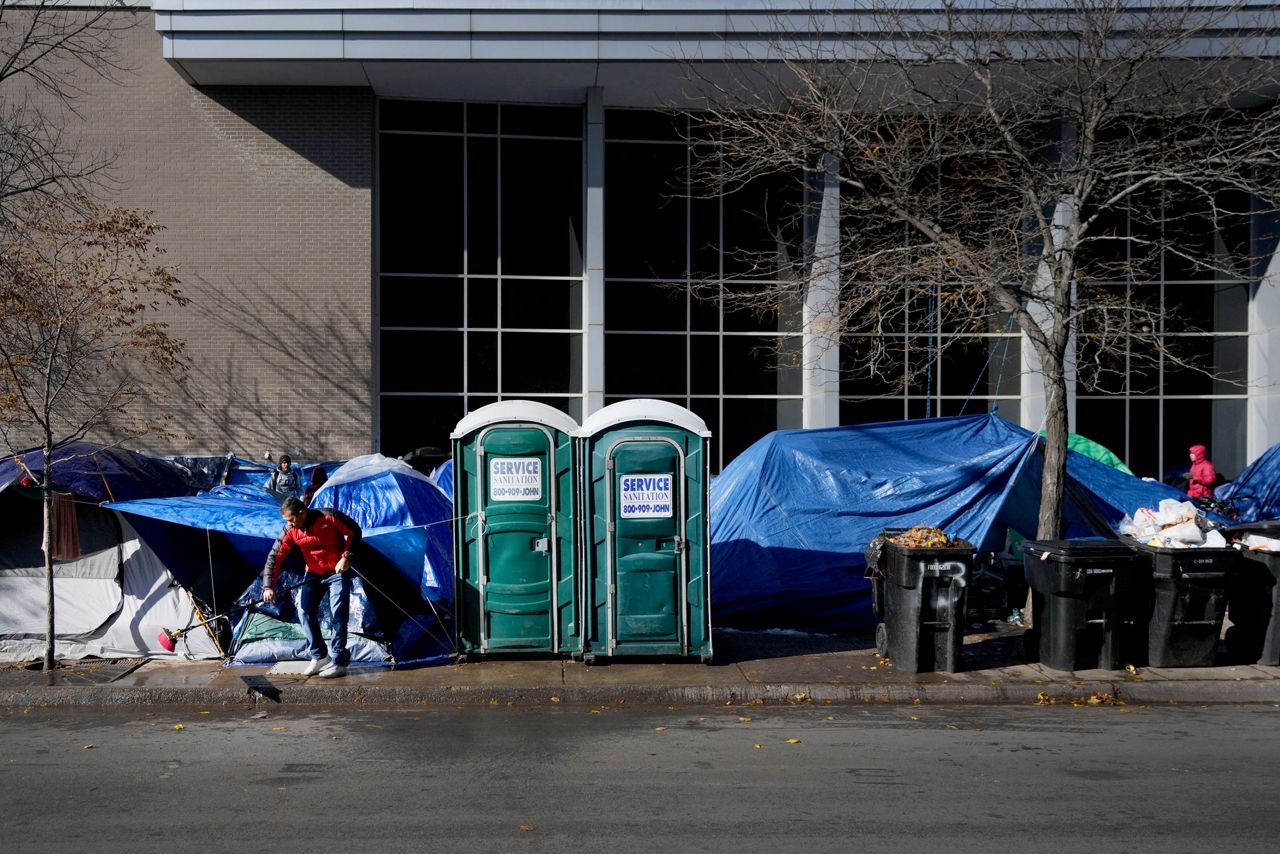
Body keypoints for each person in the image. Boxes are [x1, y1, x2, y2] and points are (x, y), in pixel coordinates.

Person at [262, 496, 361, 678]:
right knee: (304, 611)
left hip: (336, 572)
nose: (290, 524)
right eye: (287, 522)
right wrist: (268, 586)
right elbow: (275, 557)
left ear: (302, 513)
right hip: (314, 574)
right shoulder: (290, 530)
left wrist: (346, 556)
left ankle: (339, 661)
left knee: (337, 614)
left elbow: (354, 531)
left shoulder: (328, 516)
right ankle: (320, 655)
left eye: (292, 520)